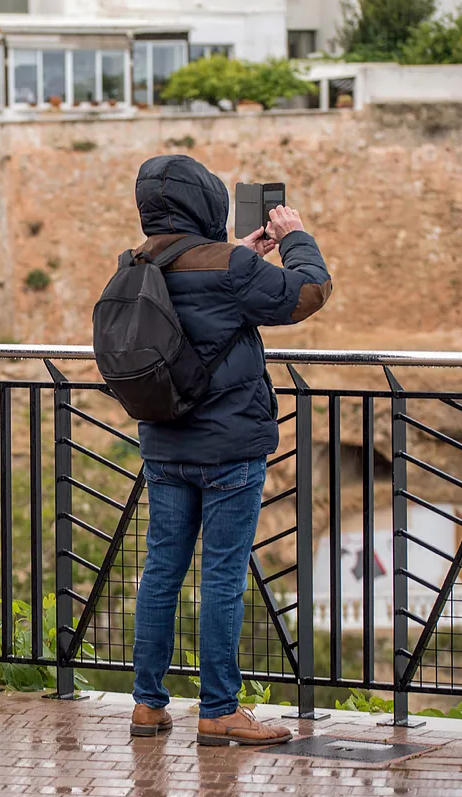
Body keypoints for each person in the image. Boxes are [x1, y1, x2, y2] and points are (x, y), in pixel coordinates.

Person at [126, 155, 332, 746]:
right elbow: (309, 293)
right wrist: (295, 237)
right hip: (230, 451)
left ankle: (147, 705)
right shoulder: (231, 266)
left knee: (161, 573)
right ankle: (218, 710)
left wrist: (244, 255)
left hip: (163, 442)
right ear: (204, 203)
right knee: (221, 577)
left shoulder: (140, 262)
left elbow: (205, 290)